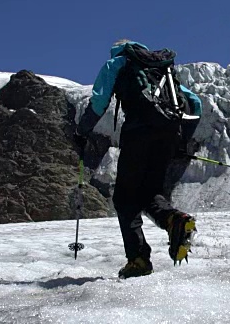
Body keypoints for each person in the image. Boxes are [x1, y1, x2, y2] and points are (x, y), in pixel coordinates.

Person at [73, 39, 202, 279]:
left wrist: (81, 132)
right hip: (169, 135)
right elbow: (195, 104)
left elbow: (99, 102)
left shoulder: (118, 63)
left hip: (138, 134)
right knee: (151, 193)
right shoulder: (162, 68)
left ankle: (139, 259)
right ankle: (175, 219)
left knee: (125, 198)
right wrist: (182, 142)